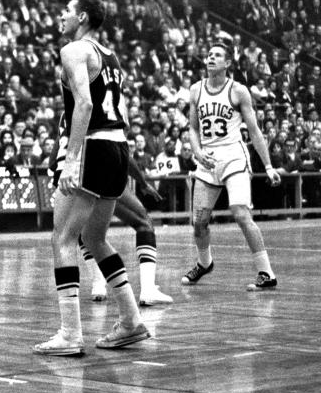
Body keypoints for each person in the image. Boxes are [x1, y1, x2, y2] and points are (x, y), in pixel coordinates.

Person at [35, 0, 150, 356]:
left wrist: (70, 160)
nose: (61, 16)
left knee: (63, 239)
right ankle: (130, 321)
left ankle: (70, 334)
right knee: (96, 239)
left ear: (81, 17)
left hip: (94, 147)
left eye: (67, 11)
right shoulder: (111, 56)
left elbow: (84, 104)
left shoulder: (74, 50)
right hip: (118, 148)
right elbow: (124, 116)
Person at [182, 42, 282, 291]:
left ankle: (266, 272)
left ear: (228, 63)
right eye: (208, 54)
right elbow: (193, 128)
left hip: (234, 156)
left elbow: (256, 131)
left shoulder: (238, 91)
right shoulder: (196, 90)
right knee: (199, 222)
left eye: (216, 55)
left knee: (240, 213)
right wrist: (196, 152)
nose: (210, 58)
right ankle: (204, 263)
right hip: (207, 158)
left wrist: (268, 166)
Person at [80, 155, 174, 306]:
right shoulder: (105, 130)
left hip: (75, 176)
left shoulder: (66, 131)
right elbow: (123, 153)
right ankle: (147, 289)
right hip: (104, 171)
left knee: (85, 230)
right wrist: (142, 182)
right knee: (144, 223)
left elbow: (53, 161)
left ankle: (98, 285)